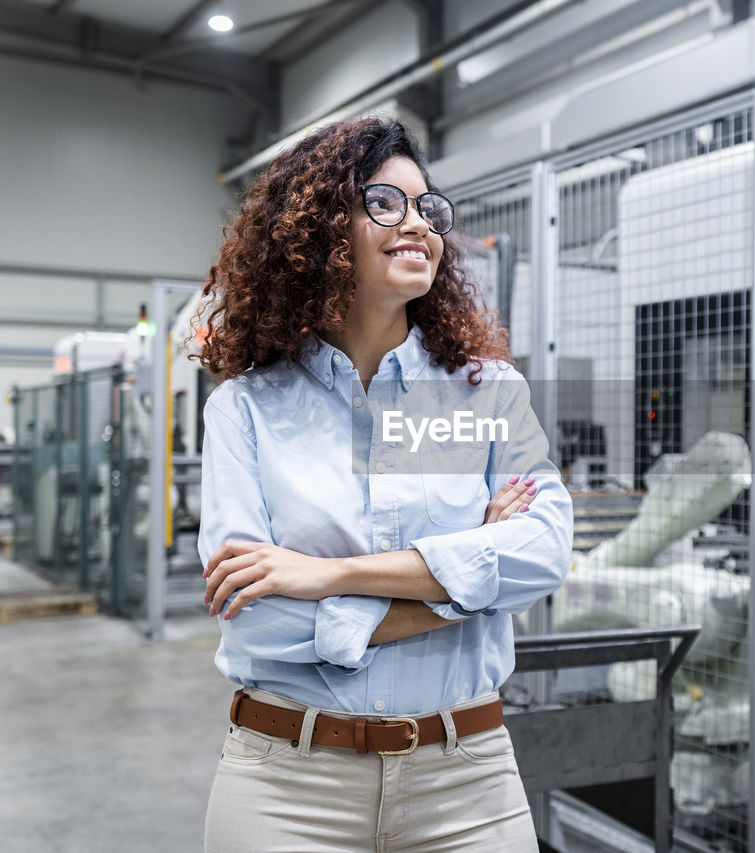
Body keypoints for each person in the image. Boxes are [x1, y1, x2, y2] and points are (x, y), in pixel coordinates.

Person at [194, 117, 573, 851]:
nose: (419, 225)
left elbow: (546, 550)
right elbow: (254, 618)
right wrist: (470, 582)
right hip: (285, 783)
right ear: (317, 230)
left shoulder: (489, 392)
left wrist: (327, 576)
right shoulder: (245, 409)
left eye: (427, 208)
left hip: (467, 780)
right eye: (386, 204)